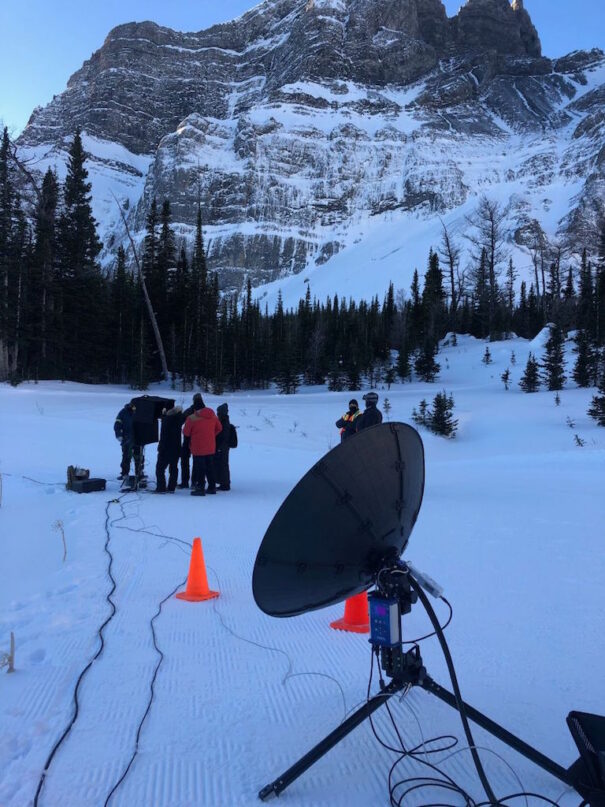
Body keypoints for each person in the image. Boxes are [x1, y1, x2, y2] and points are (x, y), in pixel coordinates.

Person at [182, 396, 222, 496]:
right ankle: (212, 487)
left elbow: (186, 433)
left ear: (195, 408)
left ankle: (200, 488)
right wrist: (211, 435)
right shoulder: (213, 416)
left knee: (200, 468)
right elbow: (219, 428)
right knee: (210, 467)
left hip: (198, 447)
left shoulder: (191, 418)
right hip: (210, 446)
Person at [154, 405, 184, 493]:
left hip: (166, 449)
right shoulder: (179, 420)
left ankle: (161, 487)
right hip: (176, 448)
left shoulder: (167, 421)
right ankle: (171, 487)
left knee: (160, 468)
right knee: (174, 468)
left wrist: (161, 448)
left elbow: (164, 436)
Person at [179, 393, 202, 488]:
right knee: (197, 461)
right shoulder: (205, 411)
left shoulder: (190, 410)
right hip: (199, 439)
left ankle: (185, 482)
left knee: (185, 460)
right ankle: (195, 481)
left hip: (188, 438)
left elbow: (180, 420)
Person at [215, 403, 237, 491]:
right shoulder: (225, 421)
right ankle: (224, 483)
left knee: (223, 465)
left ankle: (225, 484)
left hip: (222, 447)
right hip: (224, 447)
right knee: (223, 465)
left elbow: (222, 436)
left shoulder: (223, 422)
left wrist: (219, 446)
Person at [114, 399, 138, 479]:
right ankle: (124, 473)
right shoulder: (123, 412)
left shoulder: (140, 411)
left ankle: (139, 473)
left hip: (138, 439)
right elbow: (117, 424)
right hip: (127, 438)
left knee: (138, 457)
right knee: (126, 456)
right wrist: (119, 435)